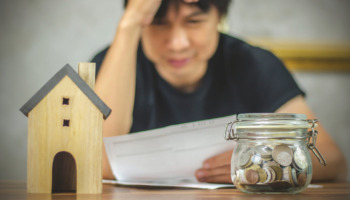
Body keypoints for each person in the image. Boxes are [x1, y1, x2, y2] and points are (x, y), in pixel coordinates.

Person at [93, 0, 347, 183]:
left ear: (219, 19)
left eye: (194, 21)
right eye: (158, 23)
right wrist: (128, 25)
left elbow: (330, 157)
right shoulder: (113, 62)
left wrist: (260, 163)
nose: (177, 43)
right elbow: (97, 162)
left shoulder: (253, 63)